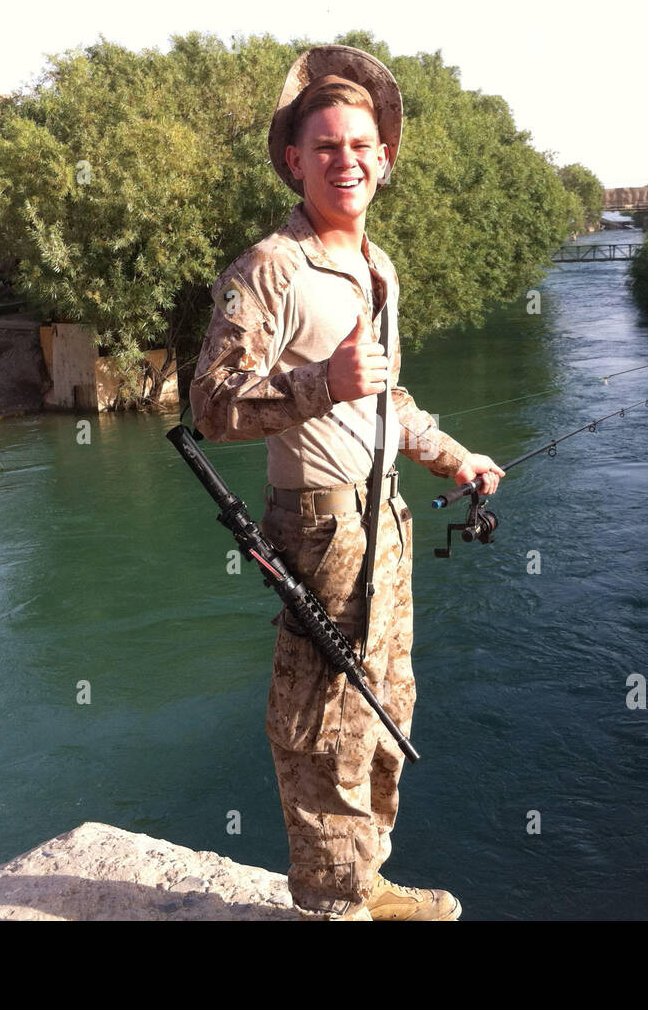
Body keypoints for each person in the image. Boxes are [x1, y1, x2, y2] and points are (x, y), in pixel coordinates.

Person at [191, 45, 504, 921]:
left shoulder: (378, 265)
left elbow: (386, 398)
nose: (347, 160)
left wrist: (455, 456)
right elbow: (209, 409)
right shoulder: (270, 269)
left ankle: (367, 880)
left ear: (386, 158)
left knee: (385, 709)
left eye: (362, 144)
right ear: (295, 160)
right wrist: (317, 384)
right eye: (326, 146)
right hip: (320, 527)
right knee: (320, 721)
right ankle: (332, 905)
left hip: (388, 524)